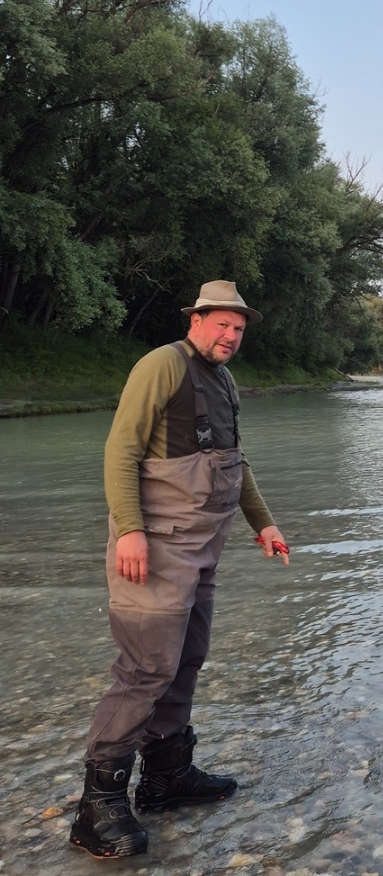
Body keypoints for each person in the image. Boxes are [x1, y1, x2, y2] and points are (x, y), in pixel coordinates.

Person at [70, 281, 290, 859]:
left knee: (186, 658)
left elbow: (235, 463)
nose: (231, 335)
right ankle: (97, 808)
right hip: (155, 546)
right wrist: (130, 529)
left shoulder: (224, 380)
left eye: (239, 328)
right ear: (196, 320)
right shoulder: (161, 366)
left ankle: (166, 778)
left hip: (202, 549)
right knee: (145, 668)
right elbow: (121, 450)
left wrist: (264, 523)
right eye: (222, 324)